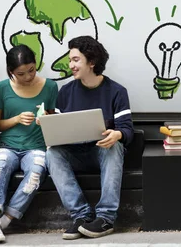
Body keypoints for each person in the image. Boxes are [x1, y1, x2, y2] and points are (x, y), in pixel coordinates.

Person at [46, 36, 133, 240]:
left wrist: (117, 134)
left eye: (76, 60)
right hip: (75, 153)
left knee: (114, 146)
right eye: (71, 60)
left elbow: (127, 130)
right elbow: (59, 130)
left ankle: (105, 218)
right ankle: (81, 216)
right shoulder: (65, 92)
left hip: (102, 152)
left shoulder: (117, 92)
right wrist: (49, 126)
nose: (71, 65)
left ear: (91, 62)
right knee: (52, 153)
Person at [0, 45, 58, 243]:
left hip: (37, 147)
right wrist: (17, 119)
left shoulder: (51, 87)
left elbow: (54, 125)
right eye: (21, 73)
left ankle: (3, 222)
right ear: (10, 71)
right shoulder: (2, 88)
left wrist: (46, 119)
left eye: (32, 70)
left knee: (35, 174)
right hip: (8, 146)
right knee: (0, 168)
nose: (28, 76)